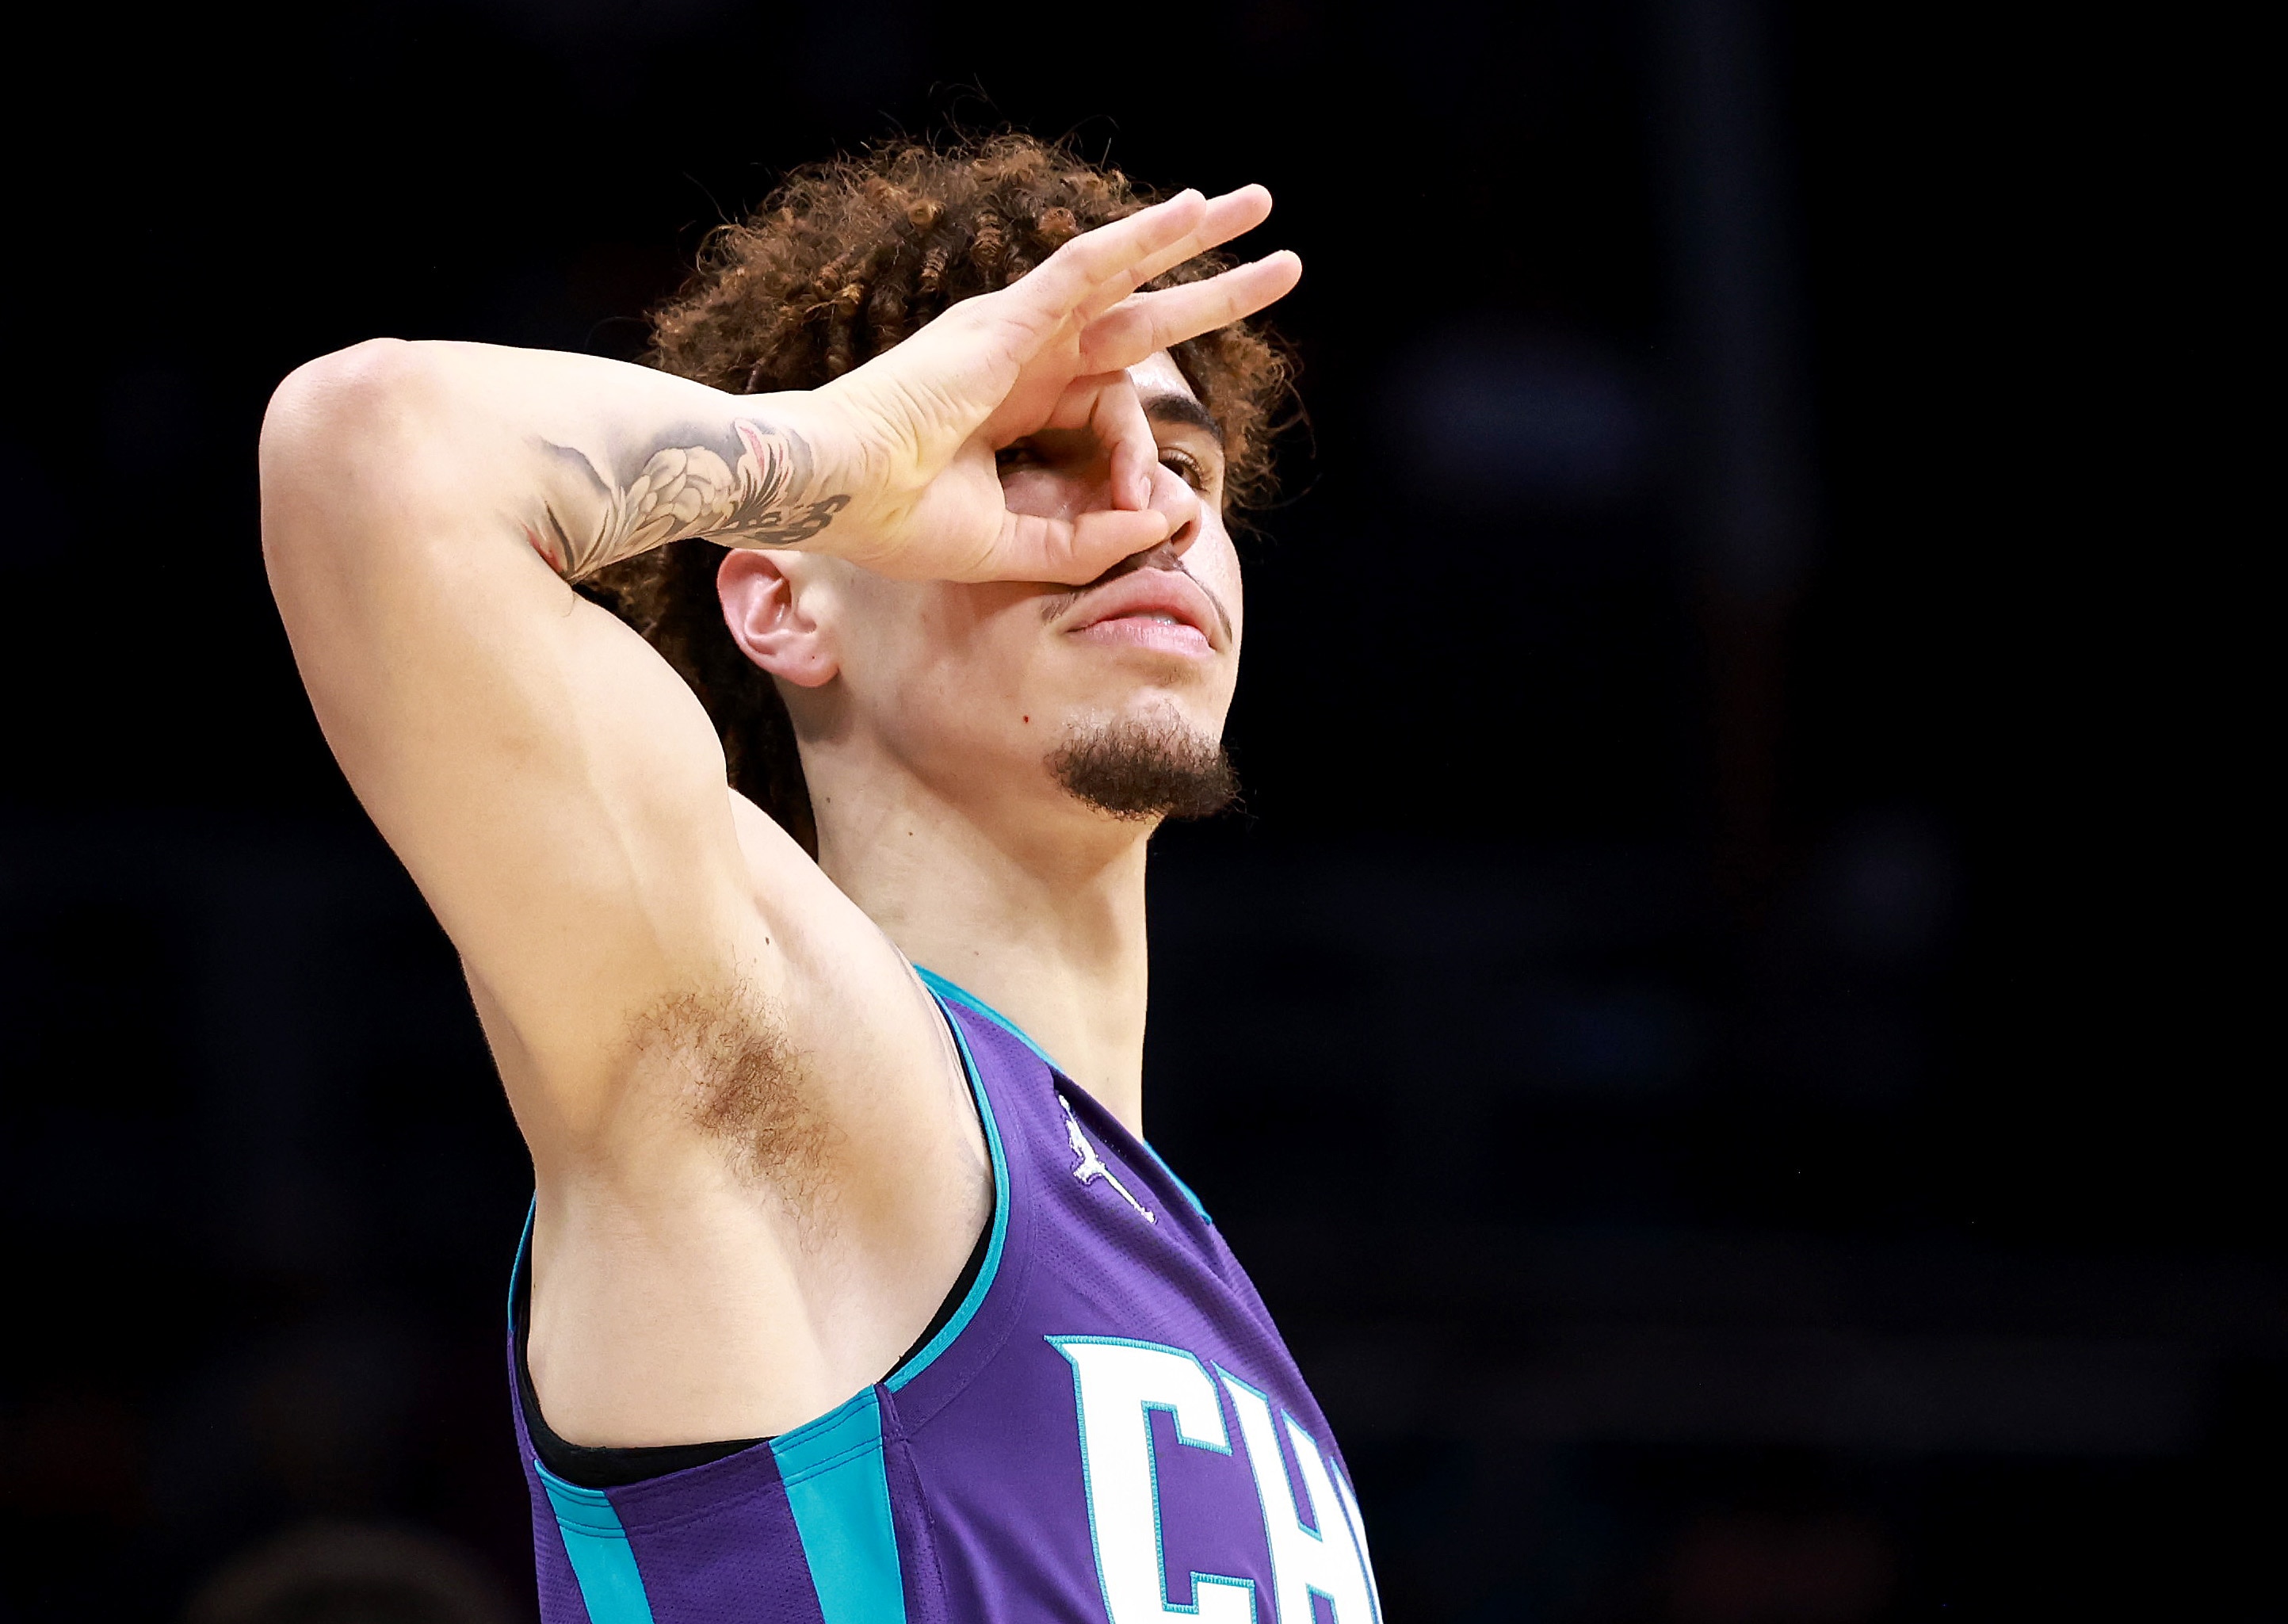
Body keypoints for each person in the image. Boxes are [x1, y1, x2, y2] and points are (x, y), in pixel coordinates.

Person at [261, 134, 1379, 1622]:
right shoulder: (777, 1046)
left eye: (1185, 463)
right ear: (786, 596)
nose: (1150, 504)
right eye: (1031, 451)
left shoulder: (1199, 1290)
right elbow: (368, 447)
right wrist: (838, 457)